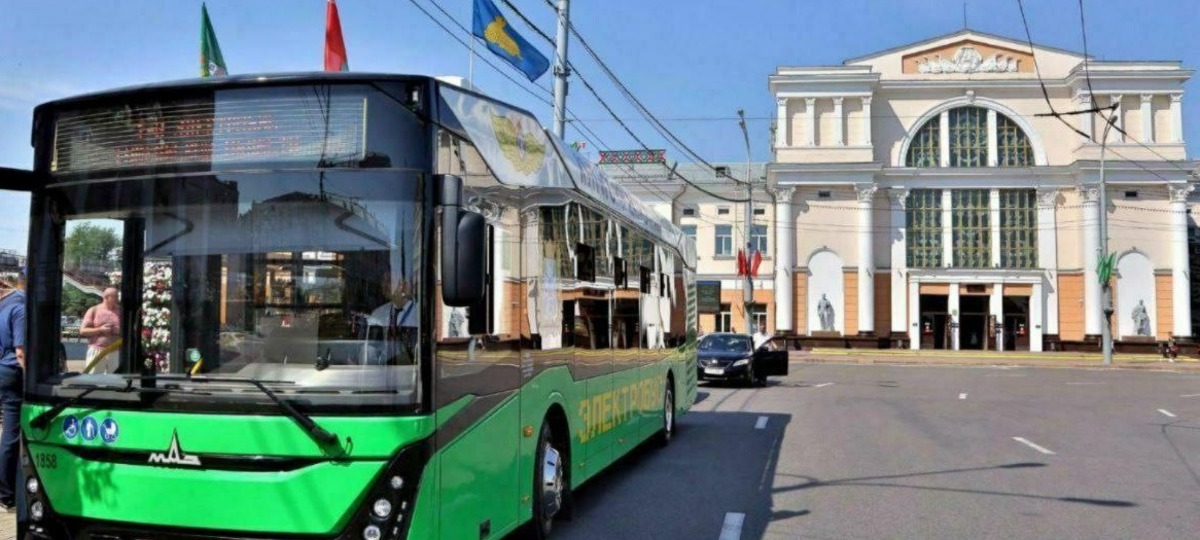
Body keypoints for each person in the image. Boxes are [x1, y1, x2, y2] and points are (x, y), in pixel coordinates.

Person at [0, 269, 27, 510]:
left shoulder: (6, 303)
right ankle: (6, 495)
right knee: (12, 435)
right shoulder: (22, 308)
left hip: (2, 369)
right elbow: (21, 352)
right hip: (13, 372)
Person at [367, 275, 418, 364]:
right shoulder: (378, 314)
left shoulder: (420, 313)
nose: (384, 285)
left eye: (389, 280)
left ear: (404, 285)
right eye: (383, 280)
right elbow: (370, 352)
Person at [80, 288, 121, 372]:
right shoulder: (94, 310)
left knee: (115, 379)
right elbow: (83, 331)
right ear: (106, 297)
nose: (117, 298)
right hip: (96, 350)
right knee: (93, 378)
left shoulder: (121, 311)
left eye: (117, 296)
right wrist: (100, 329)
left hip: (115, 351)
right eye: (115, 296)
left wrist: (119, 331)